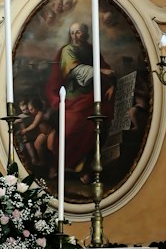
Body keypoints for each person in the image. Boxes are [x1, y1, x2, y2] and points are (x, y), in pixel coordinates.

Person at [46, 21, 115, 176]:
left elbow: (107, 70)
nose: (75, 36)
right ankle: (62, 165)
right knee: (72, 126)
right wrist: (102, 71)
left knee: (95, 127)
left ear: (86, 33)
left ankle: (85, 168)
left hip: (92, 97)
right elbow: (76, 71)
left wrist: (111, 85)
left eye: (78, 32)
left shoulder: (91, 49)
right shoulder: (67, 50)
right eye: (72, 33)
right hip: (74, 97)